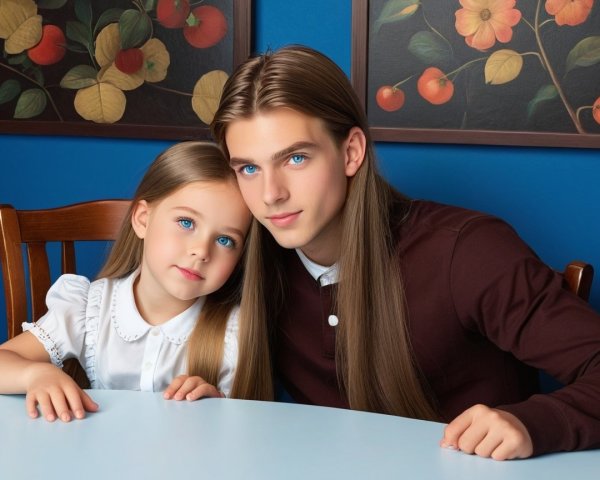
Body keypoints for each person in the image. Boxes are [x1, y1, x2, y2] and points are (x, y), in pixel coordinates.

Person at [208, 45, 600, 460]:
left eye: (296, 158)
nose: (271, 194)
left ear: (351, 152)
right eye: (249, 168)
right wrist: (203, 390)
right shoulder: (245, 255)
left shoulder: (467, 251)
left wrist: (532, 423)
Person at [0, 141, 272, 422]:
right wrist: (36, 373)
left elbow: (242, 432)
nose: (202, 252)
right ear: (143, 219)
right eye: (186, 223)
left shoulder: (233, 332)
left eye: (225, 240)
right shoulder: (89, 309)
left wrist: (214, 406)